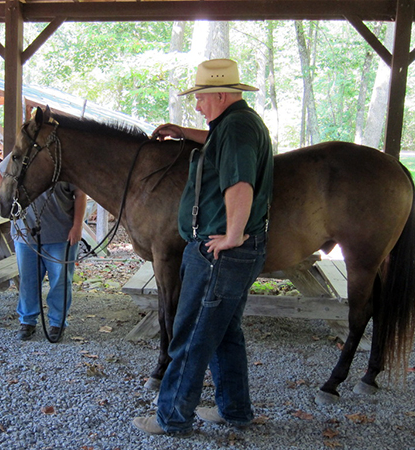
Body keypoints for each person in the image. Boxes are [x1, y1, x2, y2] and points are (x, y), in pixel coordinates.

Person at [133, 58, 274, 437]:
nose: (197, 105)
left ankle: (172, 418)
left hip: (220, 254)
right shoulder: (234, 125)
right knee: (224, 332)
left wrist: (231, 234)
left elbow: (239, 183)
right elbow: (218, 144)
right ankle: (235, 410)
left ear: (222, 94)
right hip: (229, 252)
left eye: (201, 98)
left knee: (192, 331)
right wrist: (183, 132)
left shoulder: (237, 130)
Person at [0, 155, 87, 342]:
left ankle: (57, 323)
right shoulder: (21, 155)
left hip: (61, 233)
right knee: (28, 281)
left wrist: (77, 227)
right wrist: (7, 196)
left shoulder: (65, 159)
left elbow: (80, 194)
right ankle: (27, 320)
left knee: (60, 282)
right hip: (25, 233)